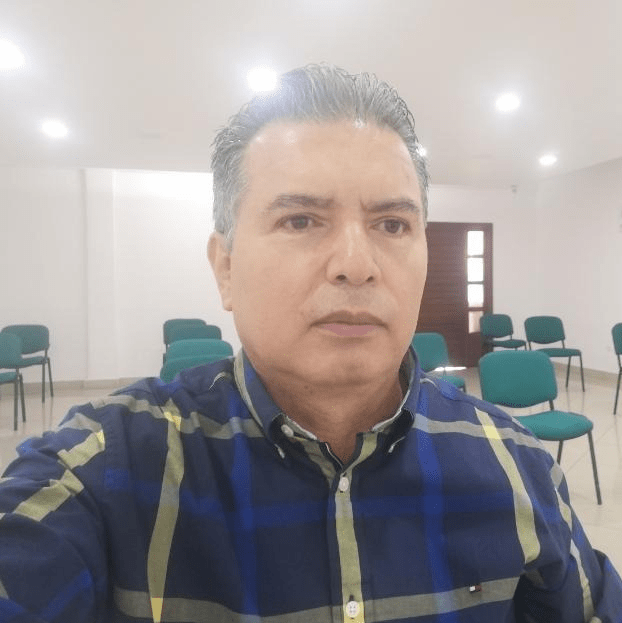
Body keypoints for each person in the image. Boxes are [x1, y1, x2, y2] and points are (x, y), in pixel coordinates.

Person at [0, 64, 620, 623]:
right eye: (300, 220)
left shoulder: (515, 463)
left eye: (392, 224)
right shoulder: (105, 469)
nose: (357, 265)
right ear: (225, 268)